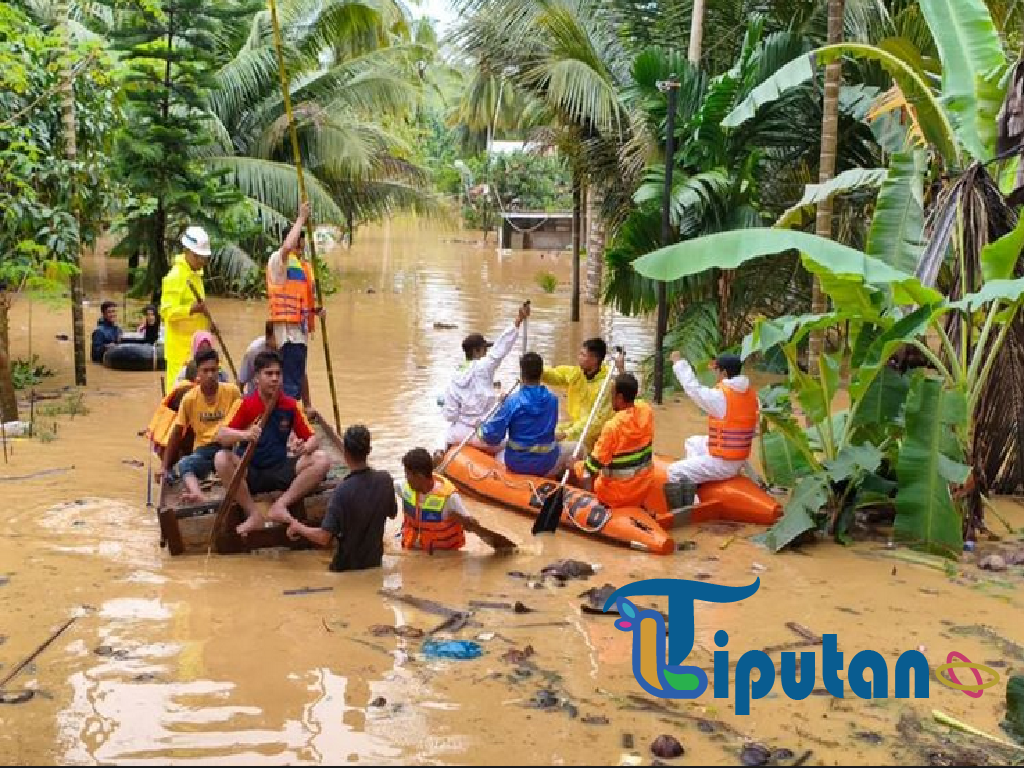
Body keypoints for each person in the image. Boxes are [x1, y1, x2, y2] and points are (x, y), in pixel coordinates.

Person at [214, 350, 331, 536]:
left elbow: (313, 437)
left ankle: (280, 505)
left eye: (278, 374)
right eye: (269, 374)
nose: (275, 379)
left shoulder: (290, 405)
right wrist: (245, 435)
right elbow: (220, 435)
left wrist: (305, 447)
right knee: (221, 459)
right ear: (256, 379)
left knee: (321, 459)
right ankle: (253, 514)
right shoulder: (245, 404)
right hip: (250, 470)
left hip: (279, 468)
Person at [284, 425, 398, 572]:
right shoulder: (385, 480)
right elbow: (393, 513)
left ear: (345, 453)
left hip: (345, 569)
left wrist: (297, 527)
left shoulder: (342, 491)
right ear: (369, 451)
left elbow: (323, 538)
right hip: (374, 564)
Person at [665, 351, 759, 508]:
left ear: (724, 373)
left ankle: (692, 507)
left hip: (725, 463)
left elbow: (693, 389)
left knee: (674, 471)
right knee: (692, 442)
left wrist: (678, 363)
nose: (714, 374)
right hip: (739, 458)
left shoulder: (721, 397)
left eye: (716, 370)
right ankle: (696, 484)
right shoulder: (752, 395)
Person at [440, 303, 530, 454]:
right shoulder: (484, 366)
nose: (486, 353)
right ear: (476, 351)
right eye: (484, 349)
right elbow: (501, 347)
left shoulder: (454, 375)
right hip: (483, 435)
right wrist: (518, 320)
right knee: (507, 444)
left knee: (448, 436)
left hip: (459, 434)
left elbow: (450, 415)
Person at [162, 348, 241, 504]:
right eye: (205, 370)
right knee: (185, 464)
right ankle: (198, 495)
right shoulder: (190, 399)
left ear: (218, 370)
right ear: (198, 372)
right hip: (203, 452)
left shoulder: (232, 392)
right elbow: (177, 433)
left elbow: (245, 421)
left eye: (213, 370)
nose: (210, 375)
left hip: (228, 448)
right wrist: (164, 467)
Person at [266, 202, 323, 404]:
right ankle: (288, 430)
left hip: (299, 334)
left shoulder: (302, 266)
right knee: (290, 387)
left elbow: (302, 300)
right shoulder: (279, 260)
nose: (300, 247)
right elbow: (287, 247)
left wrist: (315, 311)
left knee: (294, 381)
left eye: (302, 244)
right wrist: (301, 218)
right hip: (289, 335)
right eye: (298, 242)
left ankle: (294, 419)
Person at [574, 372, 654, 509]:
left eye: (612, 394)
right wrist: (621, 370)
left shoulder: (612, 427)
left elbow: (590, 469)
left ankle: (588, 504)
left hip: (616, 496)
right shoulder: (646, 411)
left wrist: (574, 465)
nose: (610, 398)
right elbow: (637, 399)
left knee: (579, 467)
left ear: (620, 397)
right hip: (643, 489)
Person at [479, 352, 564, 478]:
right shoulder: (553, 400)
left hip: (518, 463)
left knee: (497, 454)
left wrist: (480, 429)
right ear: (541, 373)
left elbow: (492, 437)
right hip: (547, 461)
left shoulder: (513, 402)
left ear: (522, 374)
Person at [542, 338, 623, 455]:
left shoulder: (606, 386)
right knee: (545, 434)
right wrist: (536, 368)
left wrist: (567, 433)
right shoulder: (576, 373)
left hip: (593, 435)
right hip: (576, 427)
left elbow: (595, 421)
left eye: (583, 355)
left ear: (594, 360)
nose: (579, 357)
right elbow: (554, 375)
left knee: (562, 444)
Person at [161, 225, 212, 391]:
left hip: (196, 347)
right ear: (188, 252)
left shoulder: (196, 276)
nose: (202, 261)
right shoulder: (174, 277)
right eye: (198, 257)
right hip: (179, 349)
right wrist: (191, 309)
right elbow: (167, 312)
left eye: (204, 258)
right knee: (177, 392)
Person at [397, 447, 475, 553]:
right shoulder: (402, 487)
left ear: (419, 477)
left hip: (442, 557)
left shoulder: (450, 498)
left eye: (407, 474)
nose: (406, 478)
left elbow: (469, 524)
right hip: (412, 551)